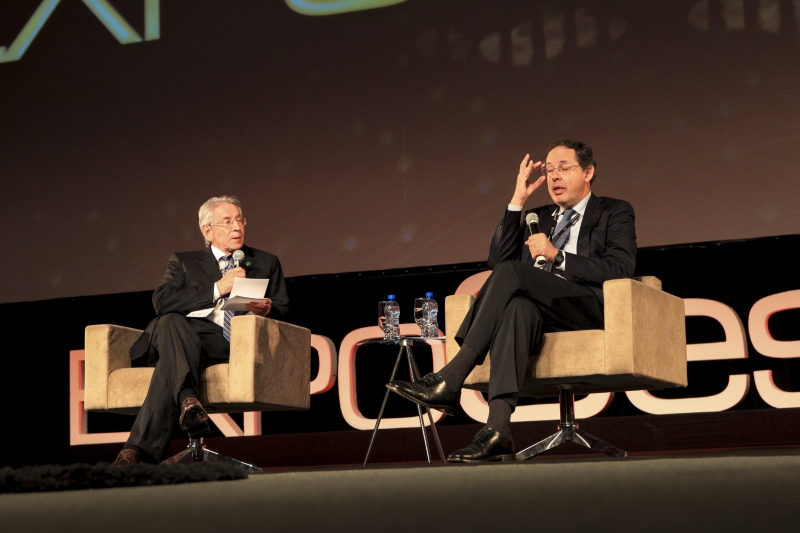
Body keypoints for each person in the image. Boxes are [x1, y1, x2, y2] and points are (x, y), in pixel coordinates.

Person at [387, 139, 636, 462]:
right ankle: (497, 431)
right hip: (537, 306)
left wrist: (557, 256)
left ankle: (451, 377)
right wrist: (518, 200)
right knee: (517, 308)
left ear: (588, 172)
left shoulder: (614, 211)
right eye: (549, 170)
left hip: (585, 305)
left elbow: (620, 268)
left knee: (514, 276)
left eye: (564, 168)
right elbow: (499, 260)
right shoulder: (539, 216)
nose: (555, 177)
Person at [115, 195, 289, 464]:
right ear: (207, 230)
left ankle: (141, 447)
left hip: (227, 342)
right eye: (227, 221)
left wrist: (267, 310)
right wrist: (219, 287)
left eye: (240, 220)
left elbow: (283, 308)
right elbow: (162, 302)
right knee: (171, 321)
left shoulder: (265, 262)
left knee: (170, 360)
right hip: (184, 335)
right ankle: (184, 404)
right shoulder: (184, 262)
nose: (237, 227)